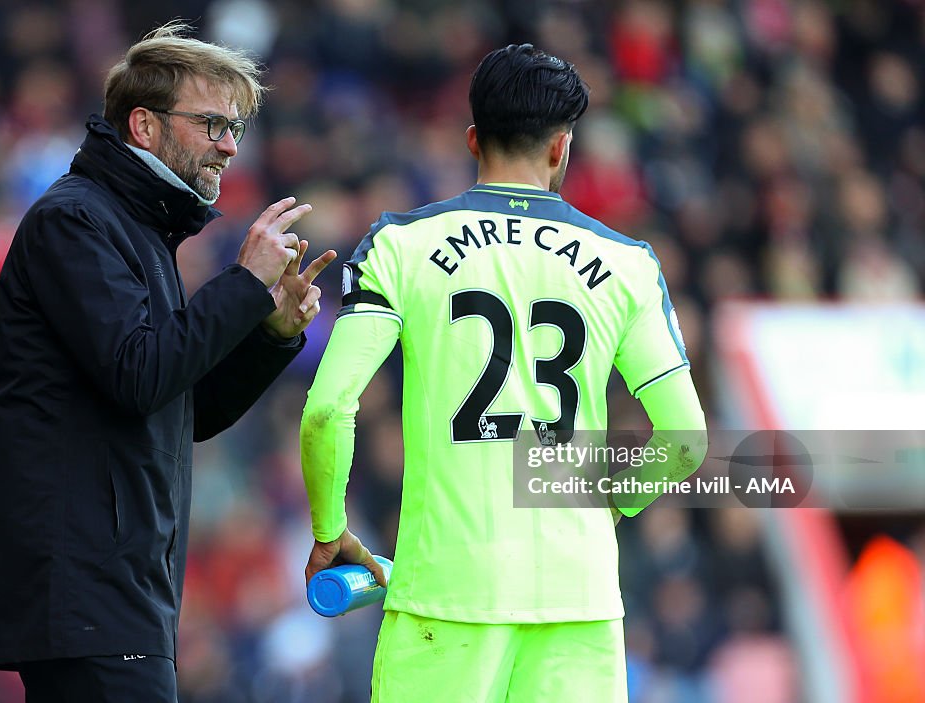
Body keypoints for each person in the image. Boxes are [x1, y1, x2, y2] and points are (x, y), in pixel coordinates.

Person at [300, 44, 708, 701]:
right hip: (580, 600)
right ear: (561, 149)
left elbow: (326, 409)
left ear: (472, 140)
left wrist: (328, 530)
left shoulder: (400, 245)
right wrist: (606, 505)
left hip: (445, 594)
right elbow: (684, 438)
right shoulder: (629, 264)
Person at [0, 23, 334, 702]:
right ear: (143, 125)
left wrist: (269, 333)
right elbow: (140, 374)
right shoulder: (75, 221)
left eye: (234, 128)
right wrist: (242, 284)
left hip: (118, 595)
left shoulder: (134, 228)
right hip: (85, 598)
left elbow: (182, 409)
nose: (229, 145)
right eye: (211, 123)